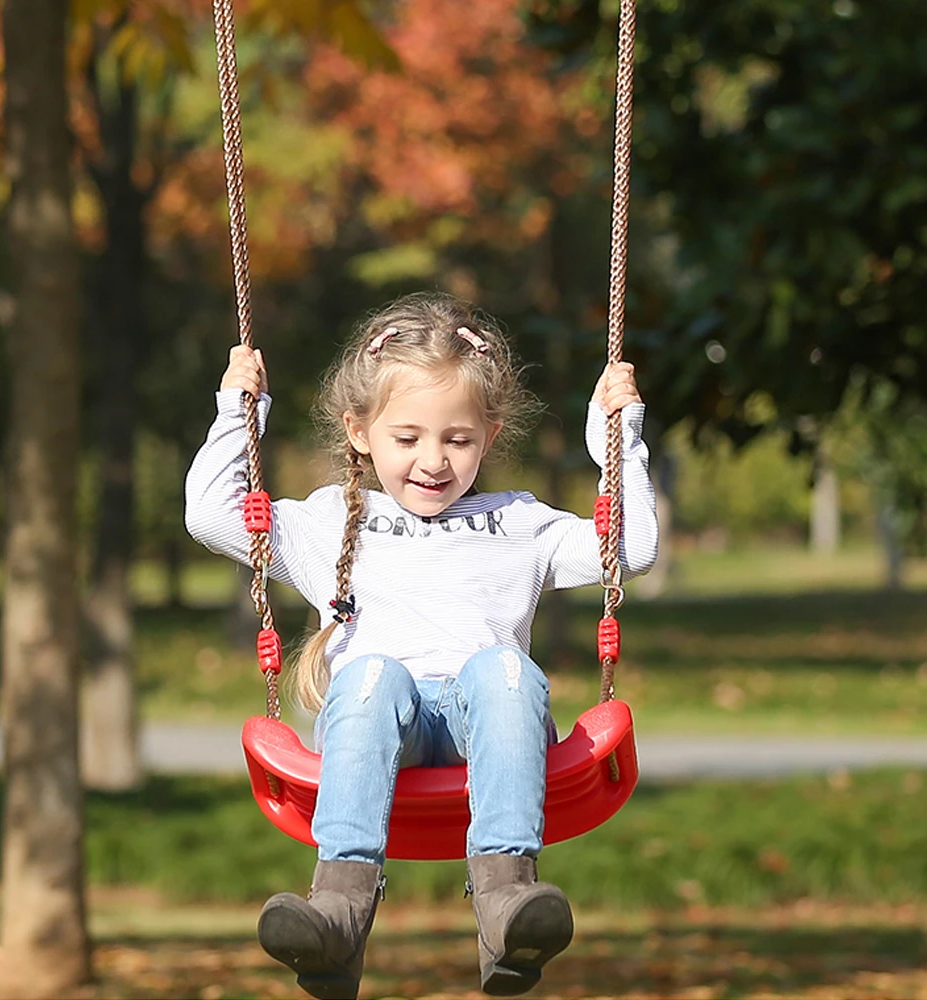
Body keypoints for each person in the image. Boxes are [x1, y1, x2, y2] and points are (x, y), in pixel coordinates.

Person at [185, 292, 658, 999]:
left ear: (490, 436)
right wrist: (237, 413)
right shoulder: (328, 523)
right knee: (372, 673)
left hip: (488, 724)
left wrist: (618, 440)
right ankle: (337, 914)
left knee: (502, 669)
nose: (433, 461)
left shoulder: (520, 524)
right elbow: (209, 515)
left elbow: (633, 548)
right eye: (407, 439)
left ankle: (507, 902)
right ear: (360, 431)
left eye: (457, 440)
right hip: (378, 726)